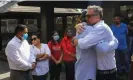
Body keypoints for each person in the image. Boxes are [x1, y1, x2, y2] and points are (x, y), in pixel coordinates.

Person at [72, 5, 117, 80]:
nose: (87, 18)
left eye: (89, 16)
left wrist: (74, 40)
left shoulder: (100, 28)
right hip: (97, 70)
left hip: (106, 71)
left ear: (98, 16)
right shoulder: (90, 28)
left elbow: (83, 44)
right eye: (86, 16)